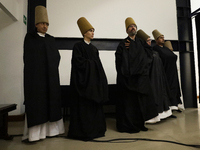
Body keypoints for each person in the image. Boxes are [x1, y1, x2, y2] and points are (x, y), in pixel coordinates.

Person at [22, 5, 65, 142]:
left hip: (50, 77)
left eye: (47, 24)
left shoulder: (51, 39)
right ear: (36, 24)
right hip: (36, 78)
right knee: (38, 104)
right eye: (42, 23)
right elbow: (29, 58)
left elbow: (56, 57)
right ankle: (35, 135)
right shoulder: (30, 38)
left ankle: (51, 132)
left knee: (51, 102)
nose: (45, 26)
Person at [67, 17, 109, 141]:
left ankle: (96, 130)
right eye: (90, 30)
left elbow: (98, 66)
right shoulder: (78, 47)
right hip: (83, 85)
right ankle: (82, 132)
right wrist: (93, 64)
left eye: (93, 30)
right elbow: (79, 64)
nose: (92, 32)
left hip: (94, 85)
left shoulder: (94, 49)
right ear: (84, 33)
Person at [115, 17, 158, 133]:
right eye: (130, 26)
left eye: (134, 26)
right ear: (127, 30)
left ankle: (141, 123)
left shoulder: (141, 42)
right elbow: (119, 62)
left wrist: (143, 70)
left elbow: (148, 55)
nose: (133, 28)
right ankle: (130, 125)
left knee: (141, 103)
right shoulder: (123, 44)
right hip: (129, 80)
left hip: (141, 79)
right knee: (130, 104)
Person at [137, 29, 173, 123]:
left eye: (150, 40)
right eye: (147, 40)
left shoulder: (153, 52)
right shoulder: (141, 53)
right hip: (149, 80)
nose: (149, 42)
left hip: (158, 78)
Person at [152, 29, 182, 111]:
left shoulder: (166, 48)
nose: (163, 39)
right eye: (161, 38)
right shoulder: (155, 49)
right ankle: (169, 104)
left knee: (174, 86)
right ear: (157, 40)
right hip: (165, 72)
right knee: (168, 87)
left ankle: (175, 103)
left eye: (163, 37)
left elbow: (173, 56)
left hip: (173, 71)